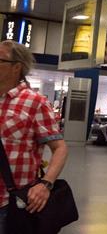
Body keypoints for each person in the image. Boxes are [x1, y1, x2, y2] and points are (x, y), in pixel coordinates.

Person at [0, 41, 69, 232]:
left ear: (16, 67)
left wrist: (46, 184)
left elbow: (59, 148)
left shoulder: (35, 102)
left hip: (9, 203)